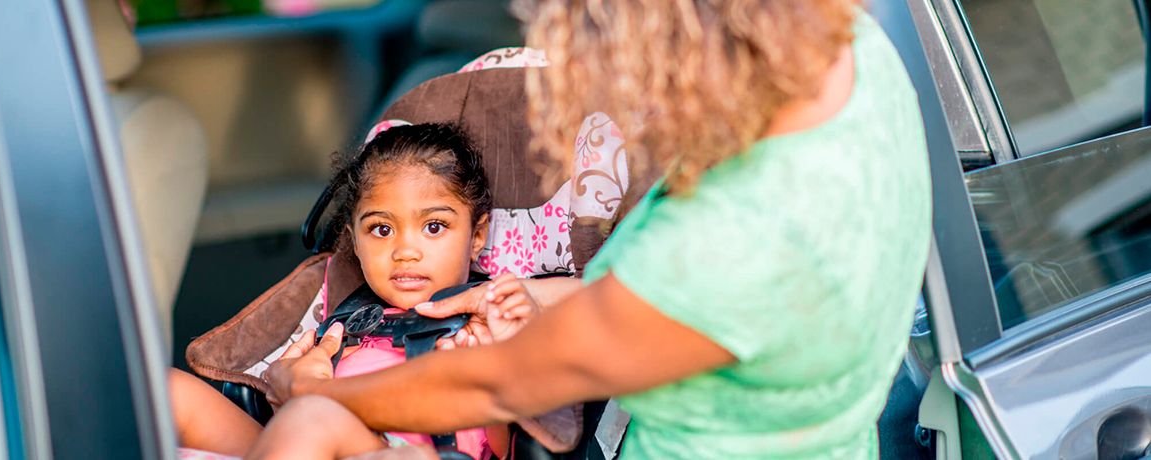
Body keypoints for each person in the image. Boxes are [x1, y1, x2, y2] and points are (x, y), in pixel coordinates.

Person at [262, 0, 932, 458]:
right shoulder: (854, 56)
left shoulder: (729, 246)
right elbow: (685, 315)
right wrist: (544, 294)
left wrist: (319, 394)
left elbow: (495, 384)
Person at [174, 122, 544, 459]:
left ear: (477, 236)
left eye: (434, 226)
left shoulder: (490, 322)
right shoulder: (343, 324)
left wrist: (491, 377)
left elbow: (509, 448)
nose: (406, 252)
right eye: (381, 230)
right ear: (354, 242)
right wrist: (291, 398)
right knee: (171, 391)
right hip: (313, 438)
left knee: (314, 417)